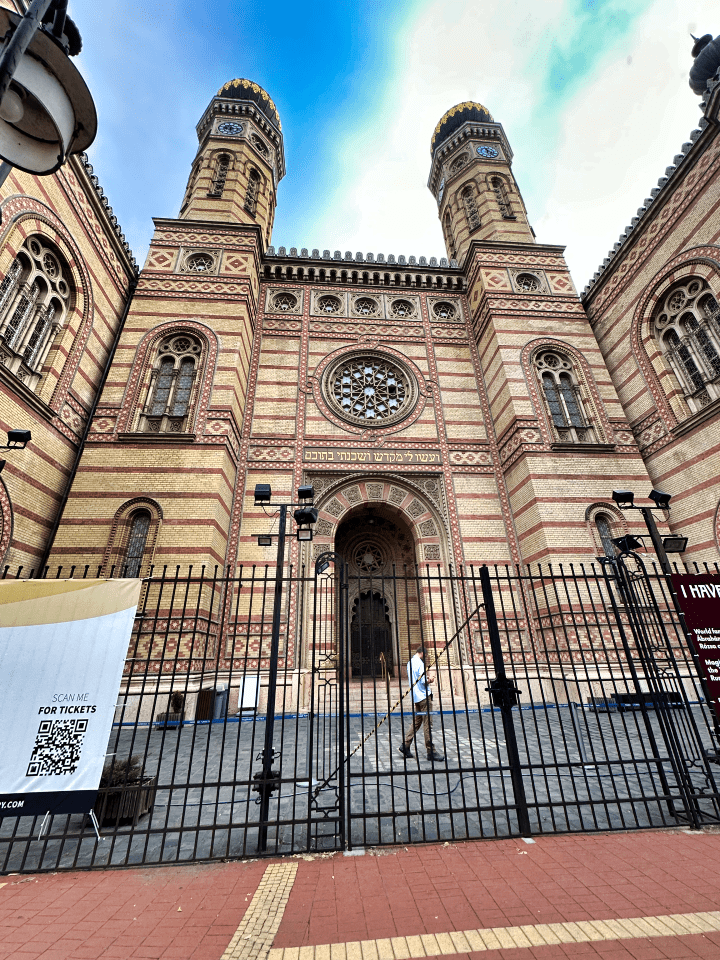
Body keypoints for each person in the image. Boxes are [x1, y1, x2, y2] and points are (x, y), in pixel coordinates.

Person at [399, 644, 443, 762]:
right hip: (423, 696)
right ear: (422, 653)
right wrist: (431, 679)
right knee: (427, 723)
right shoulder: (420, 663)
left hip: (415, 696)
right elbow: (423, 681)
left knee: (417, 721)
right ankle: (431, 751)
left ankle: (406, 745)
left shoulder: (410, 663)